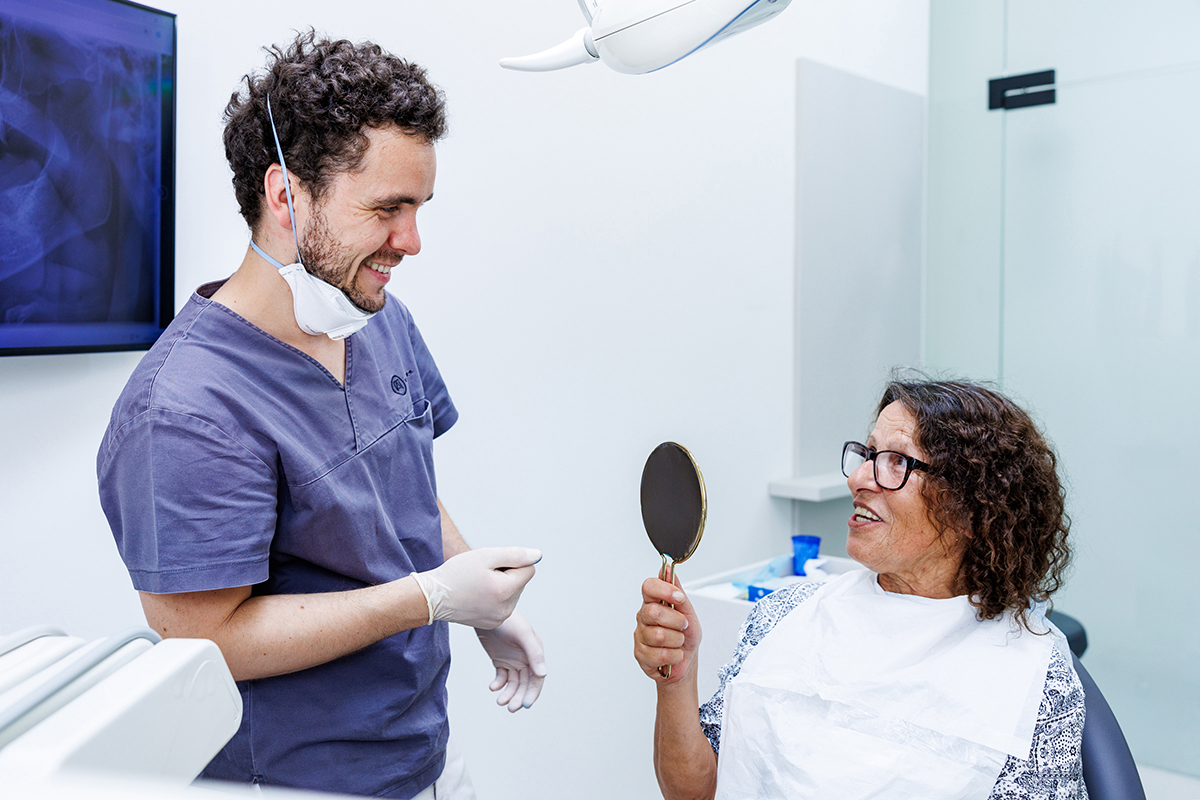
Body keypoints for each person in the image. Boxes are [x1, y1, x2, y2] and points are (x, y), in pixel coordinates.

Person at [97, 31, 545, 800]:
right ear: (285, 196)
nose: (412, 241)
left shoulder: (375, 318)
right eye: (386, 209)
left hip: (422, 755)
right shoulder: (184, 408)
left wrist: (482, 603)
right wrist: (431, 597)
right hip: (298, 779)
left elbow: (399, 483)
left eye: (419, 207)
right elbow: (204, 638)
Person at [634, 377, 1085, 799]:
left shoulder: (1035, 677)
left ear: (972, 508)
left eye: (897, 462)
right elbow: (700, 791)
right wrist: (678, 679)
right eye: (868, 454)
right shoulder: (783, 617)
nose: (857, 479)